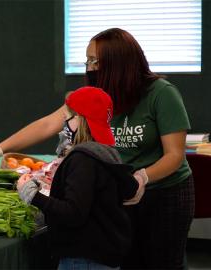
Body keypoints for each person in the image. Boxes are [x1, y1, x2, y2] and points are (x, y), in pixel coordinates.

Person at [0, 28, 194, 269]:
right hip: (122, 192)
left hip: (164, 192)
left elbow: (175, 155)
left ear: (118, 62)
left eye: (95, 61)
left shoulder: (161, 94)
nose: (90, 67)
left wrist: (143, 177)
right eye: (87, 60)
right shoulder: (95, 96)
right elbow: (46, 124)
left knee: (163, 262)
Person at [16, 86, 146, 269]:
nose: (65, 122)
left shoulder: (83, 160)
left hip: (83, 259)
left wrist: (32, 195)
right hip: (104, 256)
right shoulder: (107, 155)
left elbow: (73, 213)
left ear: (82, 120)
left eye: (69, 117)